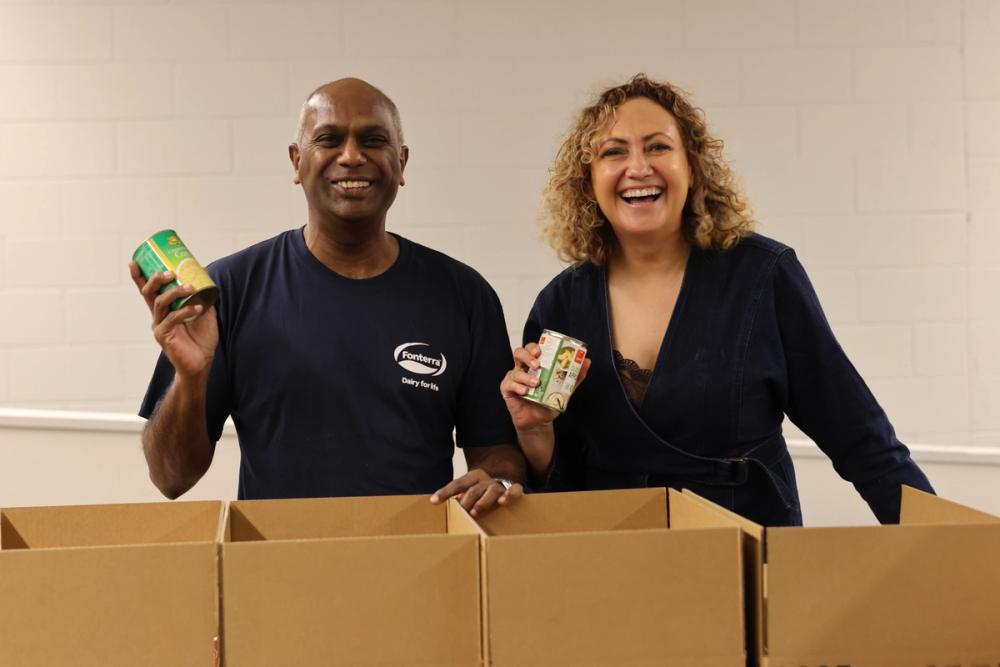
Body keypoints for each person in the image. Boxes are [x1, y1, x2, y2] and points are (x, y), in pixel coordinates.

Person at [500, 74, 933, 526]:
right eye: (613, 152)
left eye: (658, 147)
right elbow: (561, 485)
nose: (638, 167)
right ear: (589, 181)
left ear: (693, 166)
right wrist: (535, 430)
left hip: (744, 543)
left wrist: (944, 548)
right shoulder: (561, 305)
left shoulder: (763, 276)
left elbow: (859, 436)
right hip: (616, 557)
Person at [130, 78, 524, 515]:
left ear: (401, 161)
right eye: (329, 139)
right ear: (297, 162)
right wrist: (191, 378)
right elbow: (170, 478)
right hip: (277, 569)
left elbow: (497, 454)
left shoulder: (464, 296)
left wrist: (499, 480)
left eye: (374, 140)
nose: (352, 156)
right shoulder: (229, 290)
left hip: (421, 564)